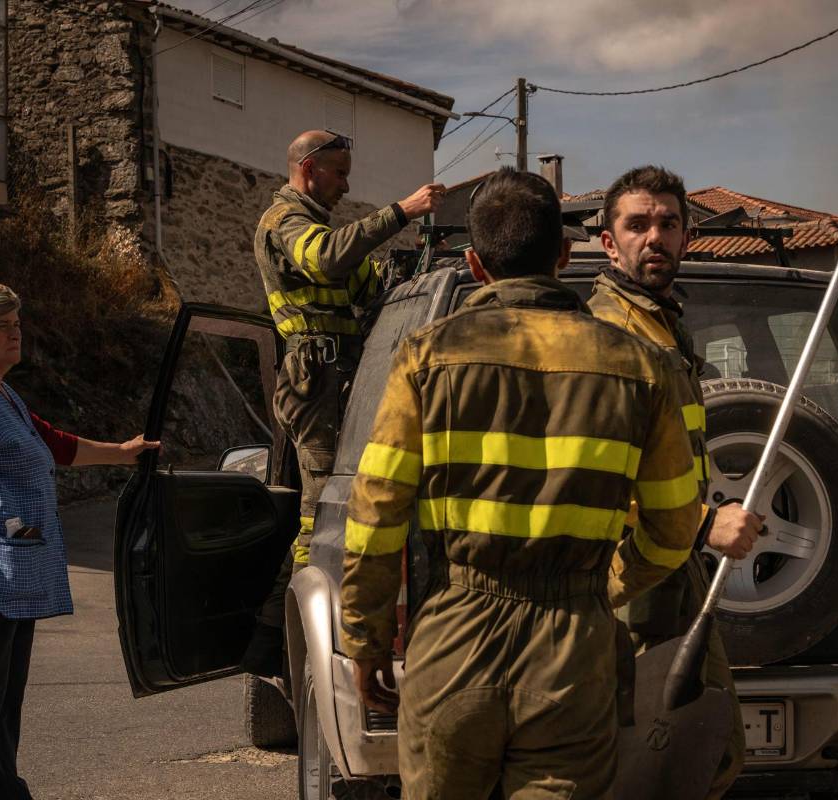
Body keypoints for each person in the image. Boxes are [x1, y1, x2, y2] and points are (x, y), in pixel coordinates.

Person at [339, 168, 701, 798]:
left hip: (455, 637)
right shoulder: (641, 367)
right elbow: (675, 527)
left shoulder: (426, 355)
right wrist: (606, 586)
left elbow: (377, 511)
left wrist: (366, 640)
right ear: (565, 255)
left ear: (475, 265)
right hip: (575, 653)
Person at [0, 282, 158, 800]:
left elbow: (51, 442)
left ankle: (3, 790)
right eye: (2, 326)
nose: (16, 333)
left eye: (16, 323)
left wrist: (122, 453)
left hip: (8, 567)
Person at [588, 165, 763, 798]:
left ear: (687, 237)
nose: (654, 237)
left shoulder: (663, 323)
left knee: (707, 752)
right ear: (609, 243)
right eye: (637, 225)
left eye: (667, 224)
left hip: (674, 563)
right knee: (651, 758)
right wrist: (704, 523)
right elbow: (602, 470)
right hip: (628, 575)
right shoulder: (609, 333)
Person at [254, 129, 446, 572]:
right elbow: (326, 258)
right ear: (309, 168)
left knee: (344, 497)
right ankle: (301, 594)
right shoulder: (283, 221)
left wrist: (420, 262)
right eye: (339, 174)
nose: (346, 185)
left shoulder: (319, 229)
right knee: (321, 507)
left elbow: (370, 287)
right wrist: (401, 211)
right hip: (314, 376)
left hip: (337, 376)